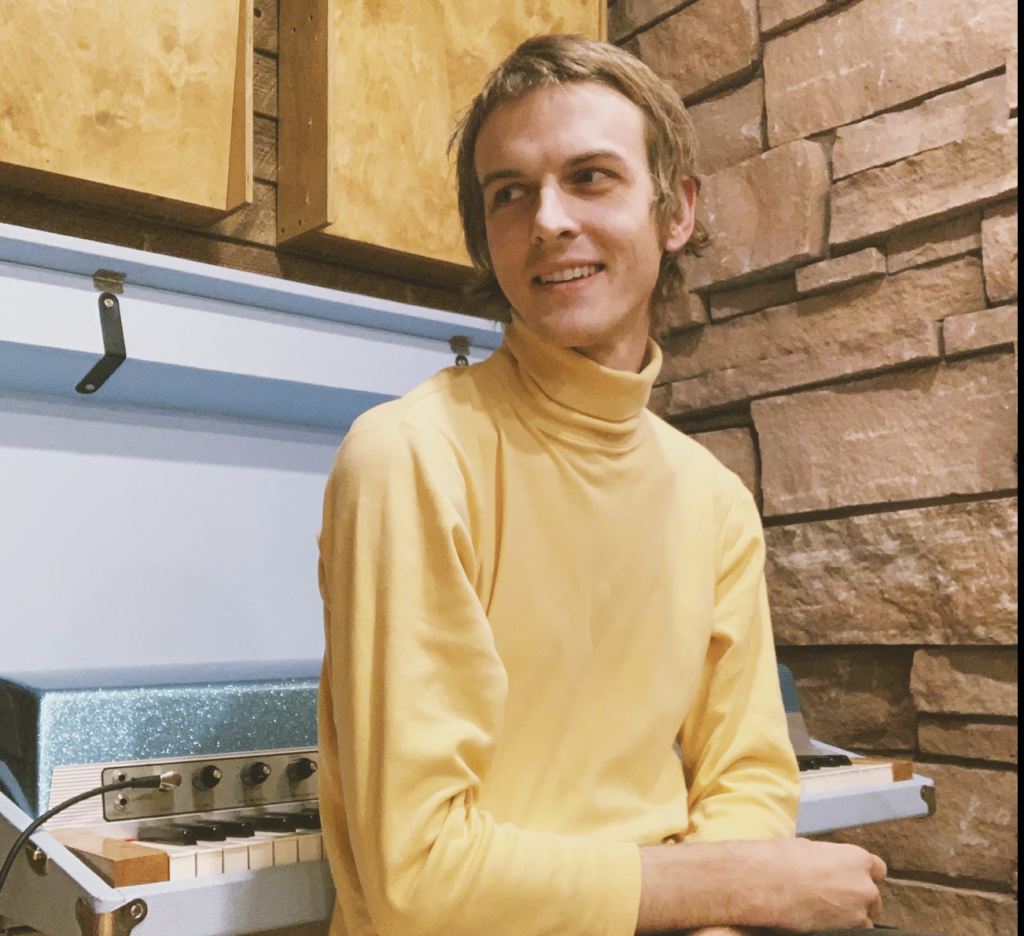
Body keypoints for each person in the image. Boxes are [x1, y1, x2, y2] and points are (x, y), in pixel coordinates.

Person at [317, 34, 894, 936]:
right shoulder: (407, 458)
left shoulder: (713, 498)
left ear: (677, 211)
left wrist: (716, 921)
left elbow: (746, 778)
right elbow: (420, 881)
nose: (548, 219)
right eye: (510, 193)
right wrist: (742, 889)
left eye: (590, 177)